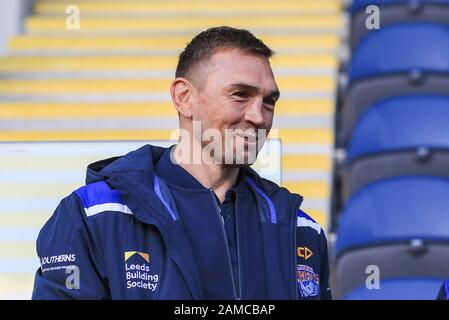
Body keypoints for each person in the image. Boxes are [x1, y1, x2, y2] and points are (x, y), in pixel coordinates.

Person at [32, 26, 332, 300]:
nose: (259, 116)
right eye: (240, 95)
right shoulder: (94, 215)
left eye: (269, 101)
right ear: (184, 97)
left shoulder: (300, 228)